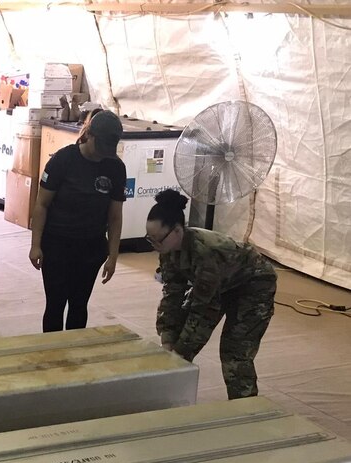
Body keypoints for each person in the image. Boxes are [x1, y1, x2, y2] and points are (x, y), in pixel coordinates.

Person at [145, 189, 277, 400]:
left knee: (235, 351)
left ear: (177, 231)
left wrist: (180, 351)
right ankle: (172, 399)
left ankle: (246, 408)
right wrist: (168, 337)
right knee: (178, 337)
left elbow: (202, 311)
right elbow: (172, 294)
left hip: (253, 285)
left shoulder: (206, 253)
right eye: (150, 240)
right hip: (222, 285)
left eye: (158, 240)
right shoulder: (168, 251)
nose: (155, 245)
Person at [29, 109, 126, 331]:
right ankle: (53, 354)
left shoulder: (115, 167)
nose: (104, 154)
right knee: (55, 303)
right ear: (89, 135)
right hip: (57, 244)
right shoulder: (63, 160)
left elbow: (115, 216)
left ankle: (75, 356)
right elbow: (41, 204)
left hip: (91, 247)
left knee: (79, 304)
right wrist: (35, 245)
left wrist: (113, 255)